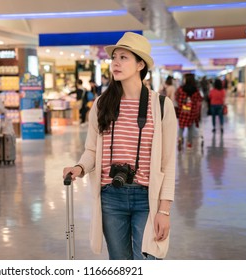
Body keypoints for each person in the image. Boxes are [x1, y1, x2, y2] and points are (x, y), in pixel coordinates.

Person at [62, 32, 177, 260]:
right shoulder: (103, 104)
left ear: (140, 64)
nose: (115, 63)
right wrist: (80, 168)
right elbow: (92, 149)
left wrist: (164, 210)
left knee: (148, 260)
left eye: (124, 57)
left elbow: (168, 162)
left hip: (147, 197)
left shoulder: (162, 106)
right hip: (111, 196)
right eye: (114, 57)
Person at [175, 73, 203, 150]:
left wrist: (182, 104)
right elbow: (200, 99)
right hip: (192, 111)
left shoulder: (180, 89)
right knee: (191, 127)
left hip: (183, 111)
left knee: (181, 127)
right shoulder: (195, 90)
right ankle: (189, 143)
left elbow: (176, 97)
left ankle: (180, 139)